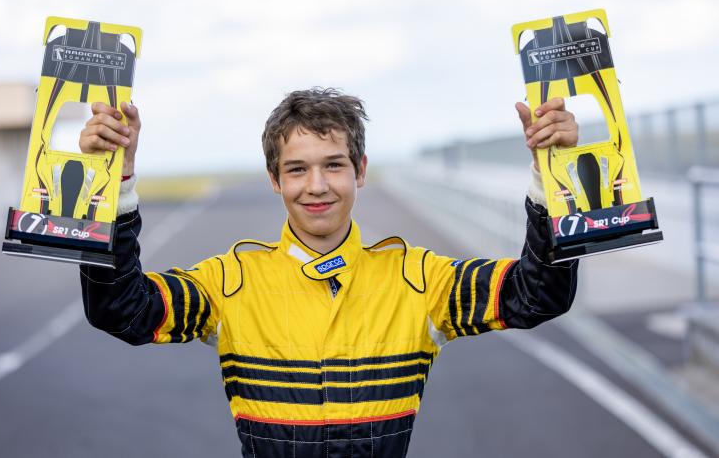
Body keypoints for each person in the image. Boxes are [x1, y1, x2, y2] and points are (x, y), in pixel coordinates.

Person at [79, 88, 579, 458]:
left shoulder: (420, 278)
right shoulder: (230, 282)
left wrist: (551, 173)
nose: (316, 186)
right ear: (275, 179)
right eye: (297, 169)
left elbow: (536, 294)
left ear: (360, 170)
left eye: (334, 165)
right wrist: (111, 183)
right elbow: (123, 310)